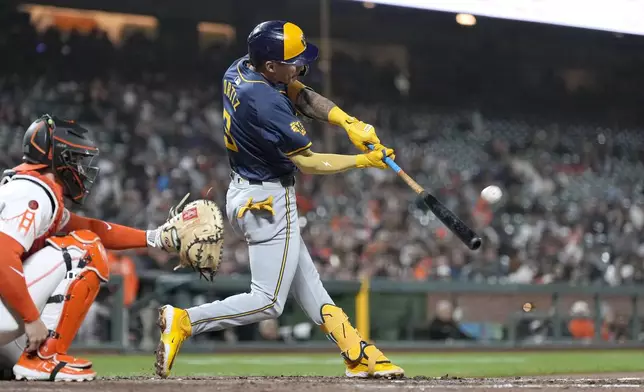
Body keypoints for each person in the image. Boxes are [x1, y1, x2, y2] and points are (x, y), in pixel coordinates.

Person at [155, 20, 404, 379]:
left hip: (246, 191)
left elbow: (300, 92)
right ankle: (185, 320)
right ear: (271, 66)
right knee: (269, 301)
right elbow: (308, 161)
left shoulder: (240, 68)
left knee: (308, 281)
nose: (300, 66)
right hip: (268, 200)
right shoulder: (267, 102)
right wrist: (364, 161)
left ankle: (357, 353)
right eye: (293, 61)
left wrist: (348, 122)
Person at [0, 115, 170, 381]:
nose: (81, 168)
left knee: (86, 236)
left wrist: (155, 237)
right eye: (76, 159)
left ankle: (15, 359)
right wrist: (32, 318)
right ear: (59, 159)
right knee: (86, 249)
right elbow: (2, 256)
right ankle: (44, 359)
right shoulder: (33, 193)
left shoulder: (31, 188)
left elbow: (94, 226)